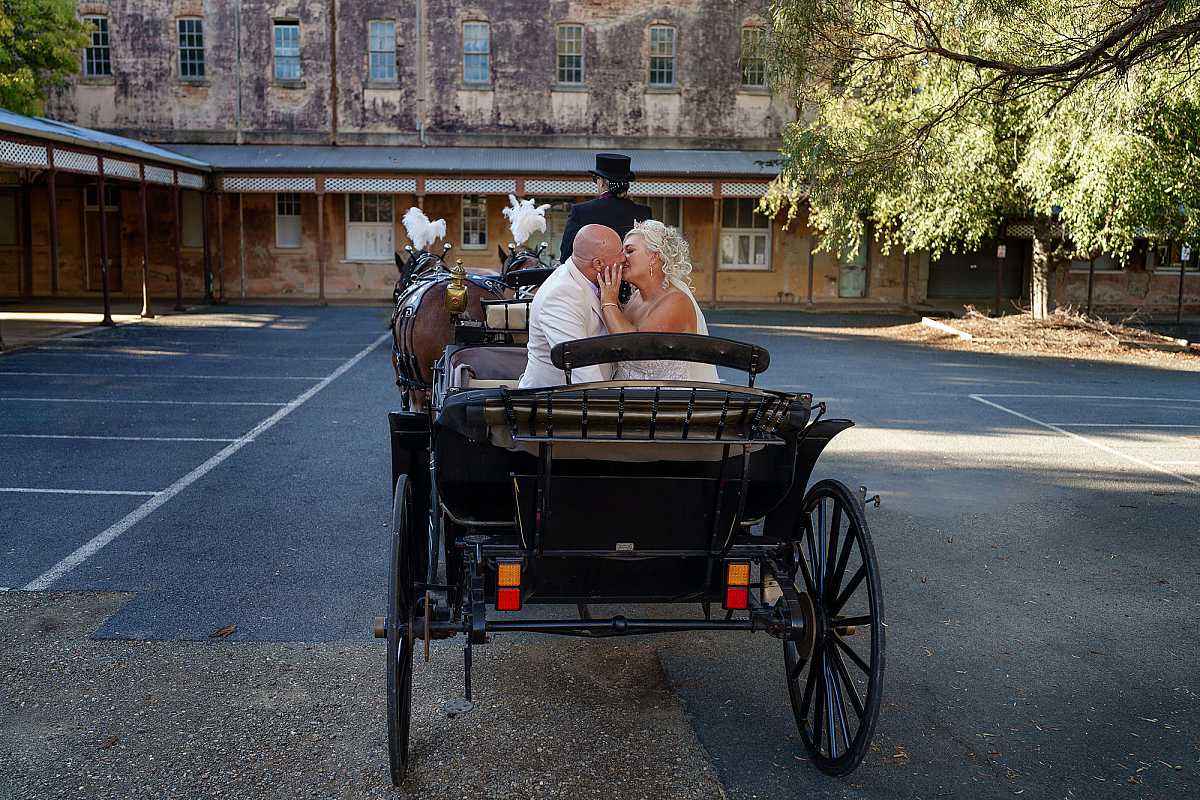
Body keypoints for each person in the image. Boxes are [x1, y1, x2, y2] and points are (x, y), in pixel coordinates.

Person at [596, 220, 720, 382]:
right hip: (627, 397)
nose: (622, 258)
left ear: (654, 256)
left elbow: (631, 347)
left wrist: (609, 302)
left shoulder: (676, 301)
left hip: (662, 401)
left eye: (629, 251)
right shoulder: (635, 298)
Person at [518, 224, 626, 388]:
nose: (624, 259)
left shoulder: (595, 281)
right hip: (555, 404)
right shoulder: (561, 296)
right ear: (598, 264)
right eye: (620, 253)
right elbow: (583, 371)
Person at [558, 153, 653, 262]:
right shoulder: (644, 212)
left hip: (594, 277)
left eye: (595, 179)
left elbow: (566, 255)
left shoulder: (580, 212)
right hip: (632, 278)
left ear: (602, 182)